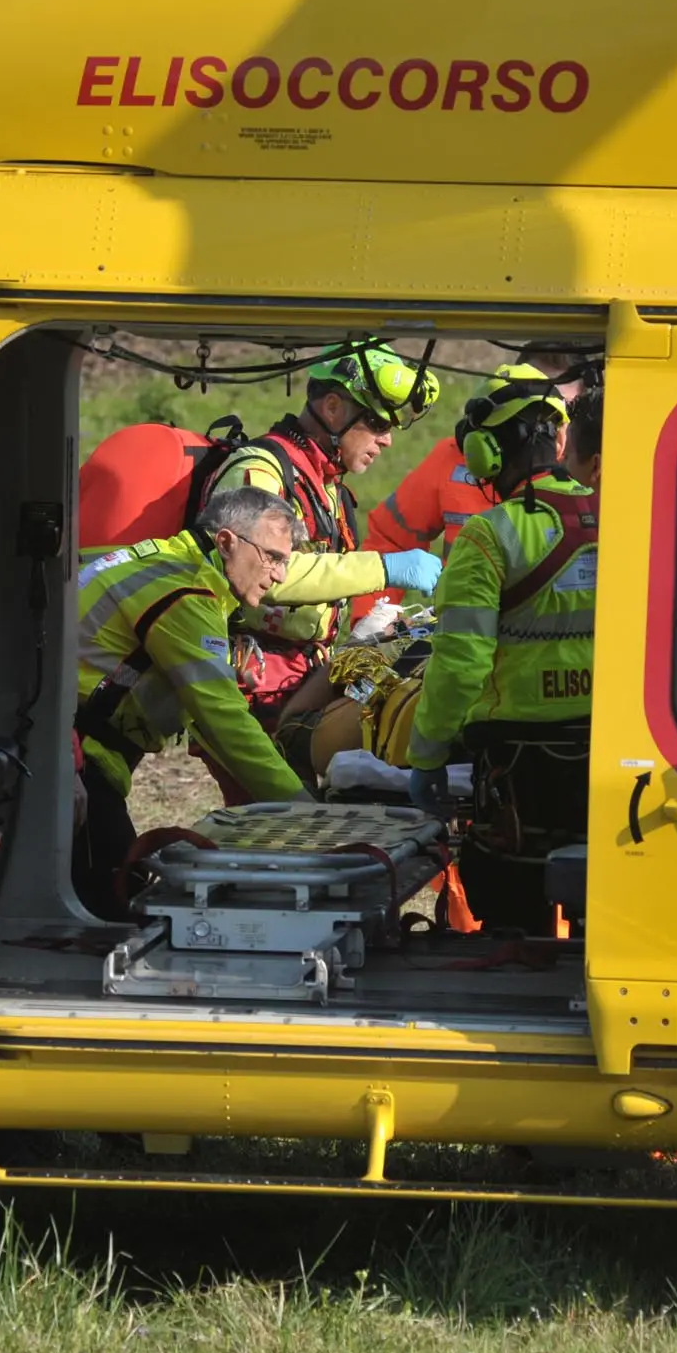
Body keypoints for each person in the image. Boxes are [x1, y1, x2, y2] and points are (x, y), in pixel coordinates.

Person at [405, 367, 598, 930]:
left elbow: (460, 666)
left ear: (486, 453)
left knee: (512, 916)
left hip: (520, 768)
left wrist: (427, 756)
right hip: (608, 757)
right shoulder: (622, 519)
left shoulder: (489, 536)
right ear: (560, 441)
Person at [71, 485, 310, 916]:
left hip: (61, 741)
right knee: (120, 901)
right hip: (75, 755)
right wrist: (303, 809)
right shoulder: (186, 595)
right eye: (272, 558)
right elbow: (222, 720)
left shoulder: (164, 560)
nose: (279, 576)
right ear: (225, 541)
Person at [203, 342, 444, 741]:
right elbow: (263, 570)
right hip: (250, 682)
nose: (387, 441)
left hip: (301, 677)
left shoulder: (327, 485)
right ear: (333, 408)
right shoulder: (261, 469)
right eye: (378, 424)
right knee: (280, 800)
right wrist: (385, 568)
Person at [364, 347, 585, 555]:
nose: (538, 425)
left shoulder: (593, 472)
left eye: (555, 410)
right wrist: (383, 585)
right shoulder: (451, 458)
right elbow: (391, 541)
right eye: (526, 403)